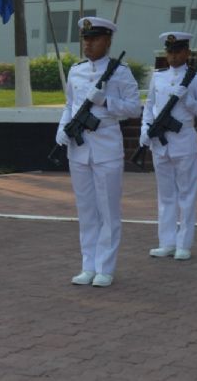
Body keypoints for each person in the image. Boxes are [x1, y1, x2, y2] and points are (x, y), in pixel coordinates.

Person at [56, 17, 141, 287]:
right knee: (86, 211)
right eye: (86, 39)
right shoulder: (76, 70)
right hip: (79, 148)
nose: (88, 44)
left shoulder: (120, 72)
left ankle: (105, 267)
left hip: (106, 147)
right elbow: (70, 105)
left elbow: (134, 108)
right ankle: (88, 265)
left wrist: (106, 100)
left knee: (108, 210)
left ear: (108, 41)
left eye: (94, 39)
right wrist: (62, 127)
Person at [141, 32, 197, 261]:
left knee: (186, 195)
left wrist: (189, 101)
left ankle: (184, 244)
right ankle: (167, 242)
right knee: (165, 196)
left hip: (183, 141)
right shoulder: (158, 76)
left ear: (186, 52)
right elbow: (149, 106)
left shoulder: (196, 79)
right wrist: (145, 129)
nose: (172, 56)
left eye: (177, 51)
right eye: (169, 51)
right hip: (160, 143)